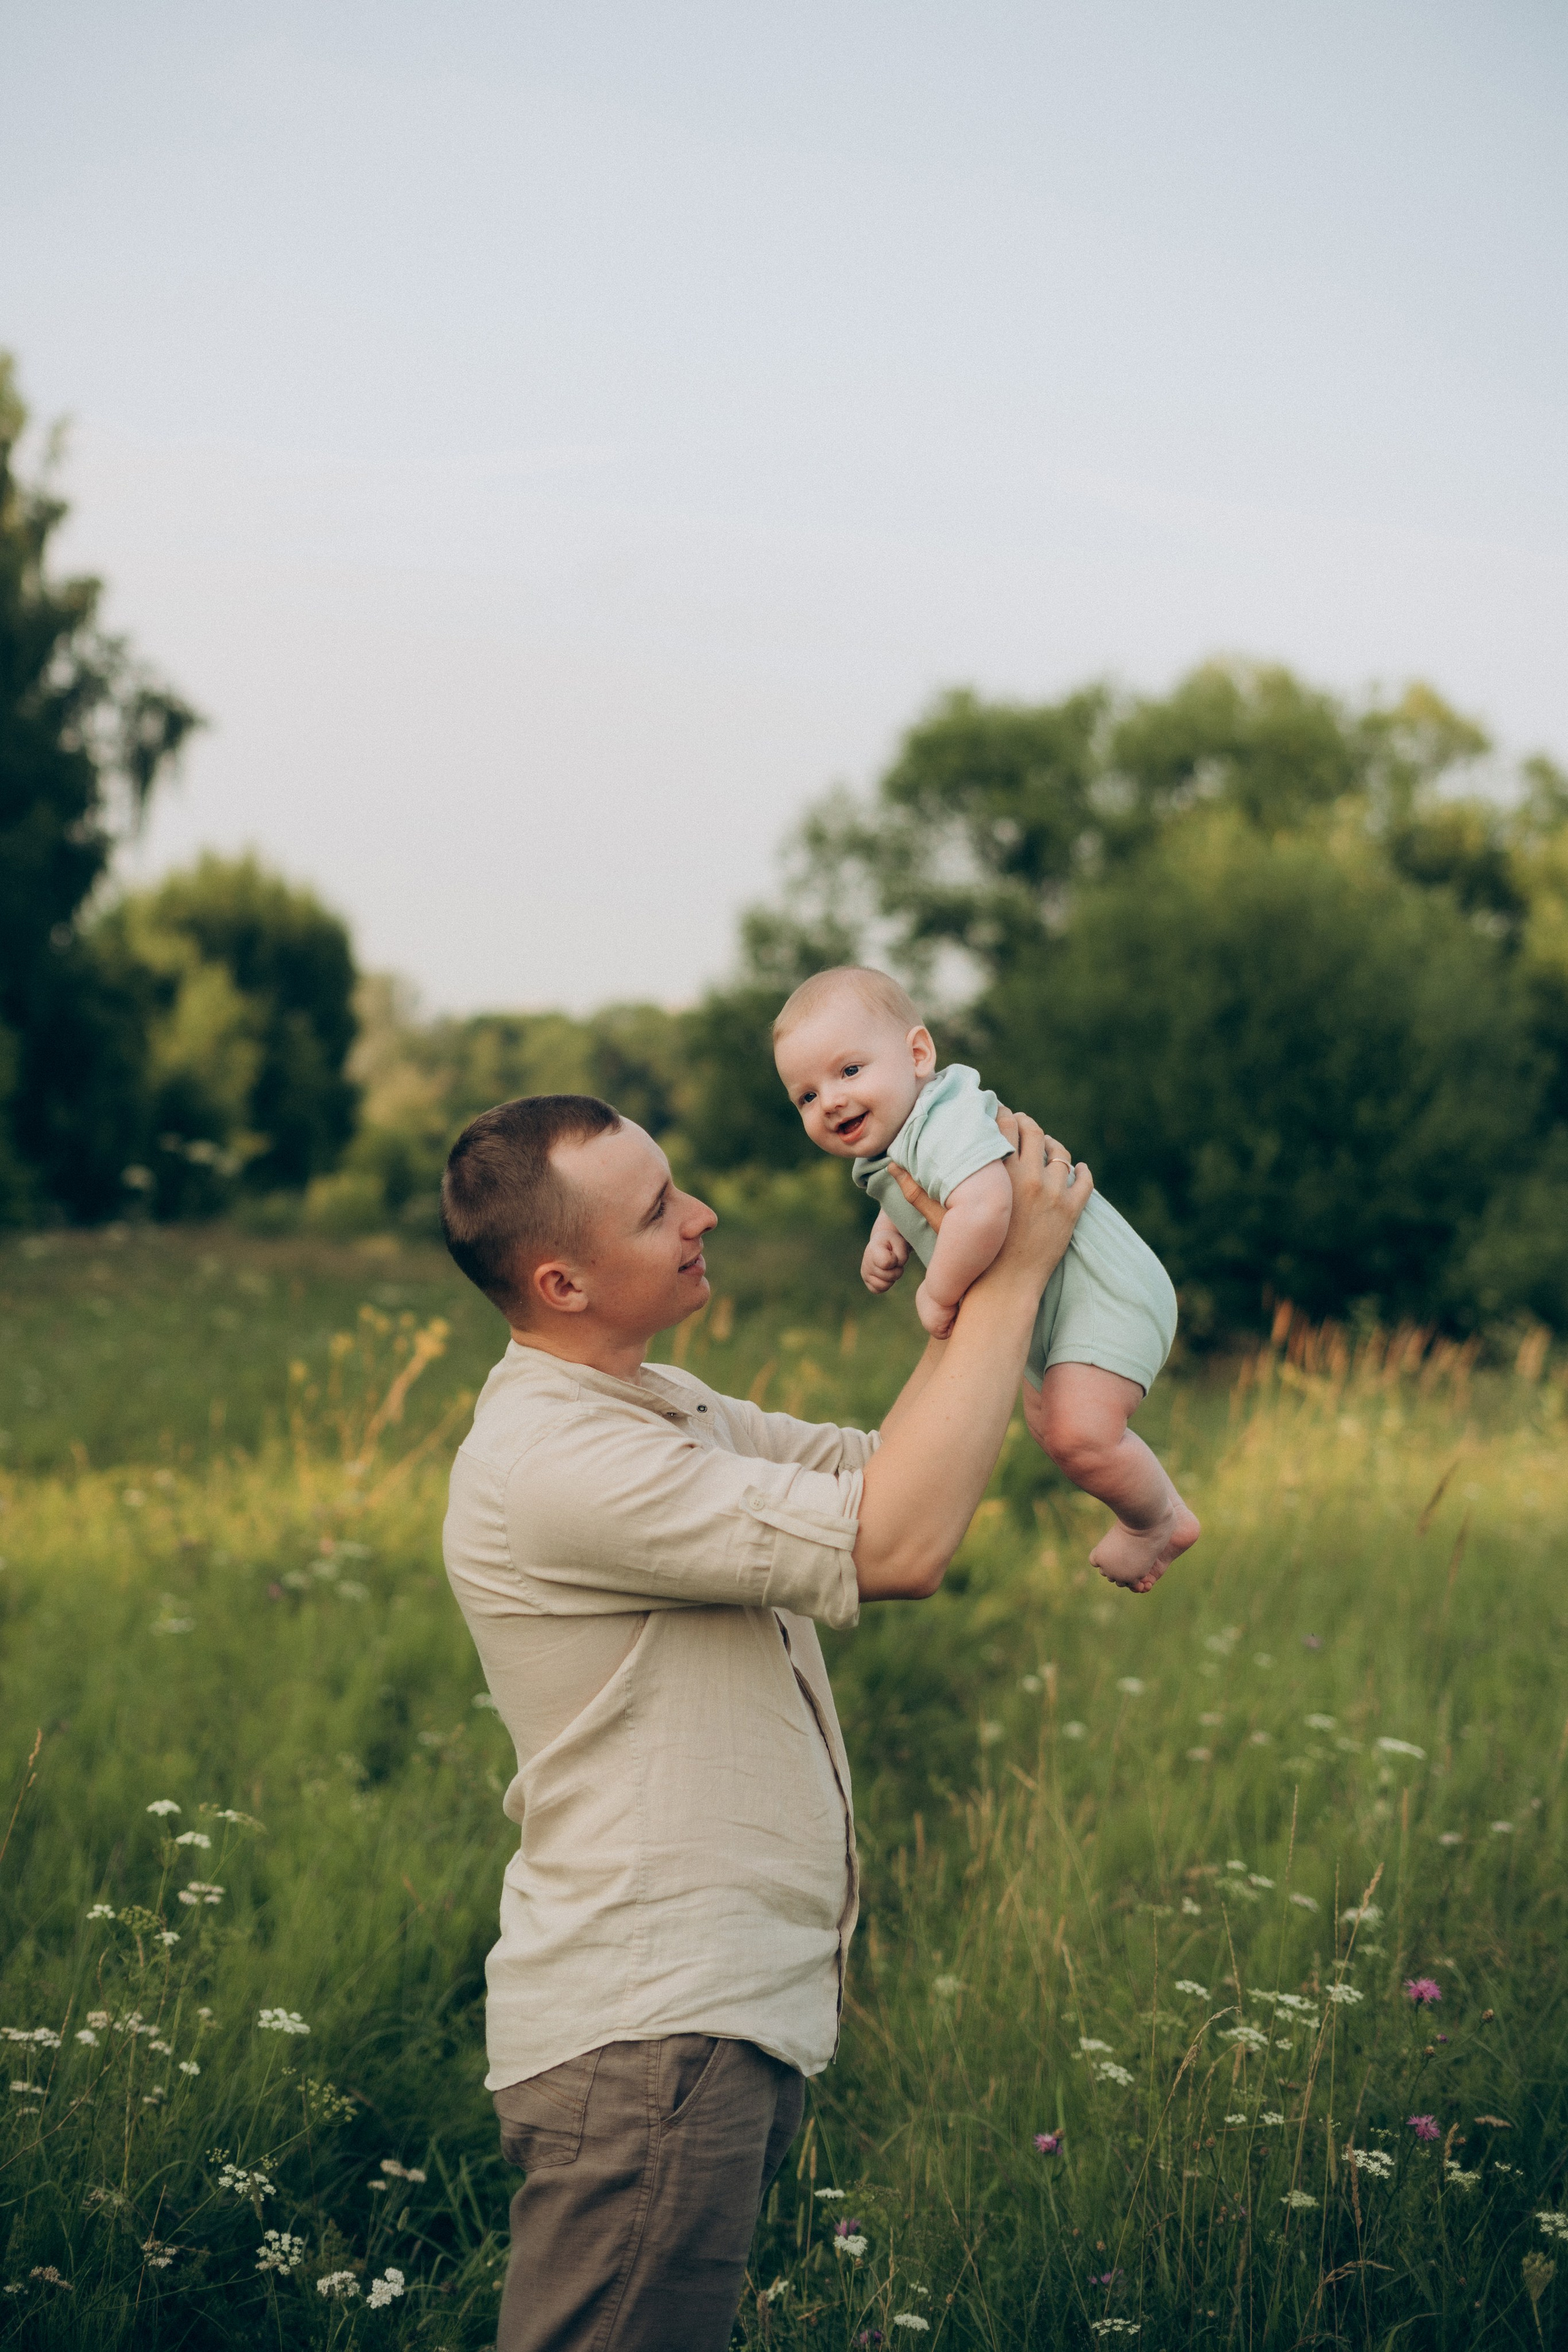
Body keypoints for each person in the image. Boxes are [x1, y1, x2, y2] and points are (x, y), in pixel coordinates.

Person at [438, 1087, 1091, 2352]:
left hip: (703, 2017)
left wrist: (967, 1248)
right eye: (656, 1211)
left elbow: (878, 1473)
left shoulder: (655, 1399)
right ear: (563, 1283)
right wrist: (1011, 1278)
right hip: (645, 2028)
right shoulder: (553, 1462)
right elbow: (898, 1541)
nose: (702, 1214)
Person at [772, 965, 1199, 1595]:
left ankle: (1158, 1519)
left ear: (917, 1054)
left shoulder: (941, 1120)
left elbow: (985, 1206)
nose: (829, 1100)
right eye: (806, 1096)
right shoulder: (898, 1144)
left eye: (849, 1071)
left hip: (1103, 1296)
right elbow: (923, 1196)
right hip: (1063, 1306)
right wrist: (888, 1234)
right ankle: (1144, 1512)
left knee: (1077, 1433)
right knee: (1048, 1423)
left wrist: (937, 1291)